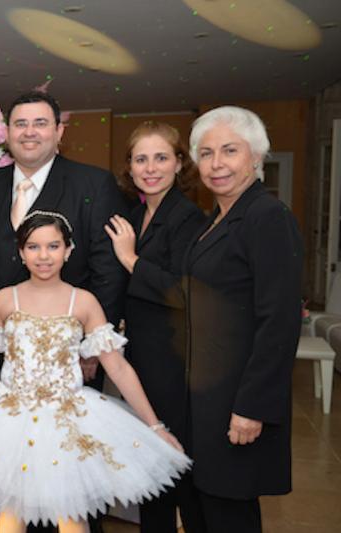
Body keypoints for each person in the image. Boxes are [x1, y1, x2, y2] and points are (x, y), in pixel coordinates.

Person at [0, 210, 191, 533]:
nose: (43, 256)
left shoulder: (83, 302)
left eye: (53, 246)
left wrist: (154, 425)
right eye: (33, 247)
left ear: (68, 251)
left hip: (67, 420)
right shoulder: (5, 300)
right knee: (11, 513)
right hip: (12, 418)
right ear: (21, 252)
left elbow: (117, 367)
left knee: (71, 515)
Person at [183, 106, 303, 532]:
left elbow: (279, 322)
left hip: (237, 399)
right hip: (207, 399)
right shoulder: (216, 219)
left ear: (256, 156)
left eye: (230, 150)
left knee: (229, 513)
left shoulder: (267, 217)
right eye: (206, 153)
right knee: (204, 508)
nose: (217, 164)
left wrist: (252, 407)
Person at [0, 91, 128, 388]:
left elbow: (108, 270)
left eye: (40, 123)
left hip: (68, 353)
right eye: (20, 124)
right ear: (7, 132)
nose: (29, 132)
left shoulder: (93, 184)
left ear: (59, 131)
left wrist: (91, 345)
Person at [104, 121, 206, 532]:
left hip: (174, 362)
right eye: (140, 159)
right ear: (129, 167)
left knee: (178, 468)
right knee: (151, 473)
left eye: (161, 158)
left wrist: (131, 259)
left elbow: (183, 293)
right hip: (142, 358)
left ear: (179, 163)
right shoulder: (135, 215)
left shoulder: (188, 219)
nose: (150, 168)